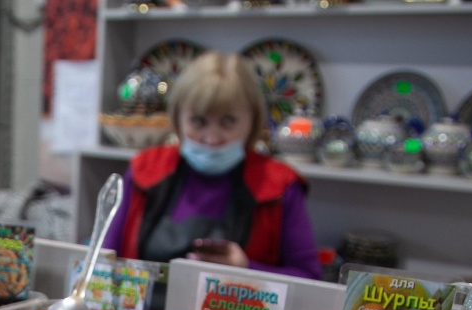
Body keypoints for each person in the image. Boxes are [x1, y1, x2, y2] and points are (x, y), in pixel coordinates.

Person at [103, 50, 321, 285]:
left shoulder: (280, 185)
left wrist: (247, 270)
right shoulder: (145, 170)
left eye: (228, 122)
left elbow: (309, 279)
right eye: (198, 121)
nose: (212, 137)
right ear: (178, 119)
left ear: (253, 121)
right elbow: (105, 261)